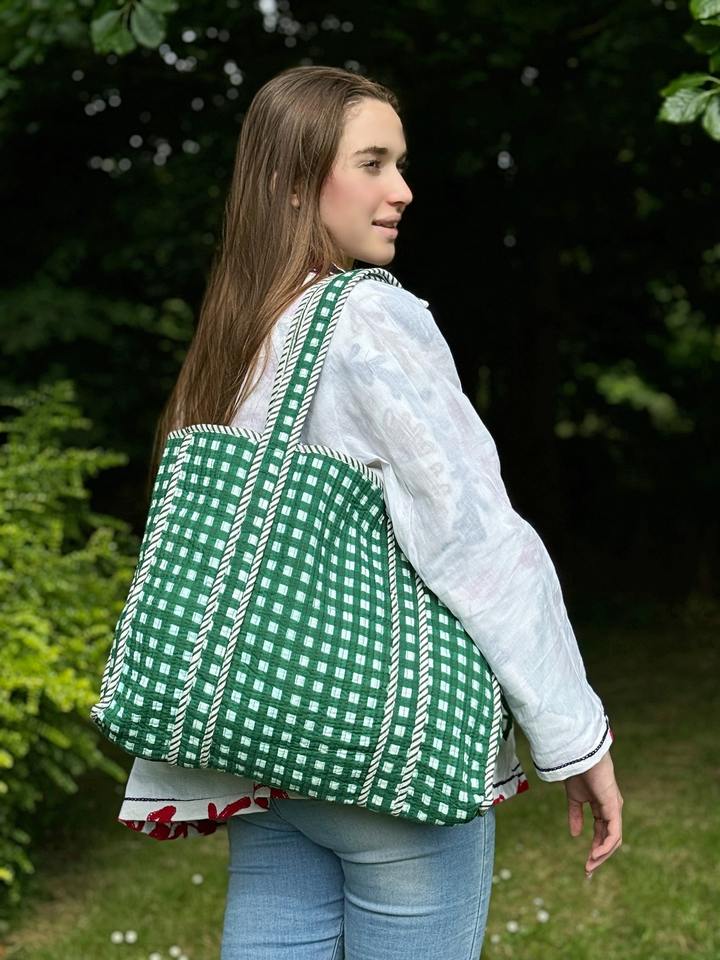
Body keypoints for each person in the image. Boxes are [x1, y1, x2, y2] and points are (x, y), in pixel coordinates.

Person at [117, 65, 623, 959]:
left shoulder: (242, 334)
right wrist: (575, 739)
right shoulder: (367, 320)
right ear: (292, 181)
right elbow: (473, 539)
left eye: (400, 163)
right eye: (374, 162)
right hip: (381, 758)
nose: (403, 190)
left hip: (269, 749)